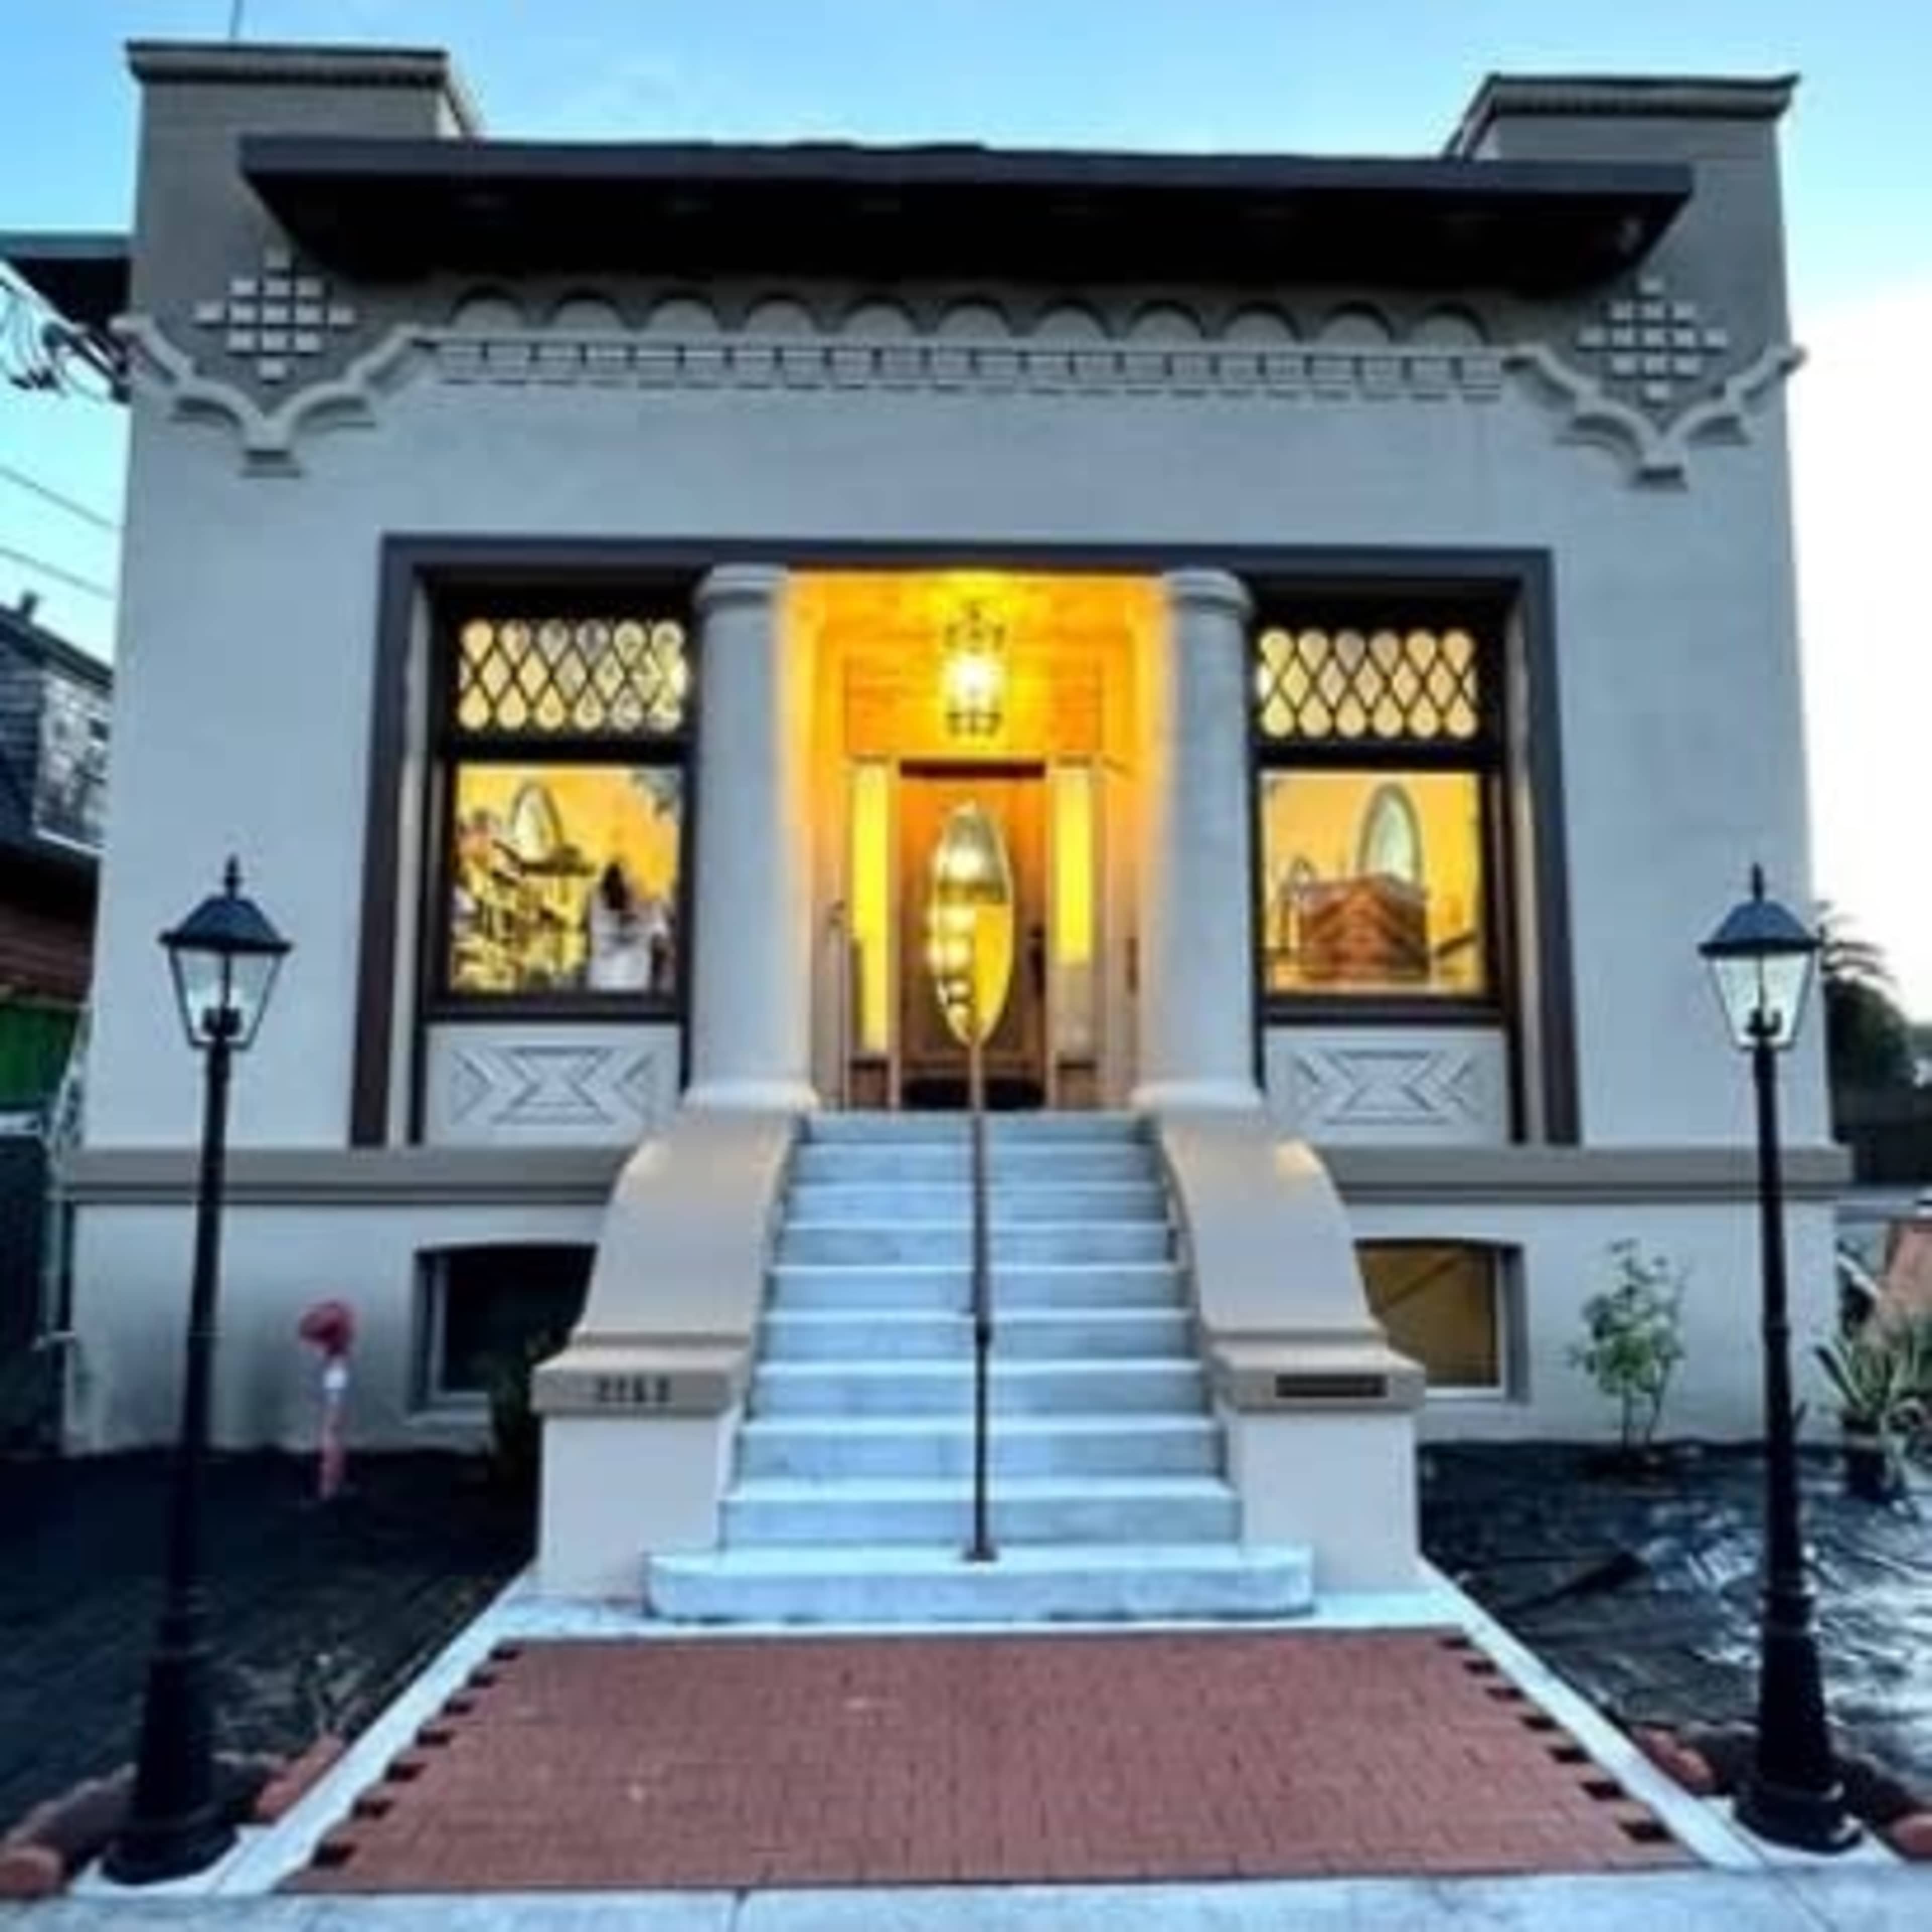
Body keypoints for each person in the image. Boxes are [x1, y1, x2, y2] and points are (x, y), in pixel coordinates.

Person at [586, 862, 652, 991]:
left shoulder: (635, 920)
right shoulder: (600, 909)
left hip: (625, 980)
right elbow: (607, 934)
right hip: (611, 979)